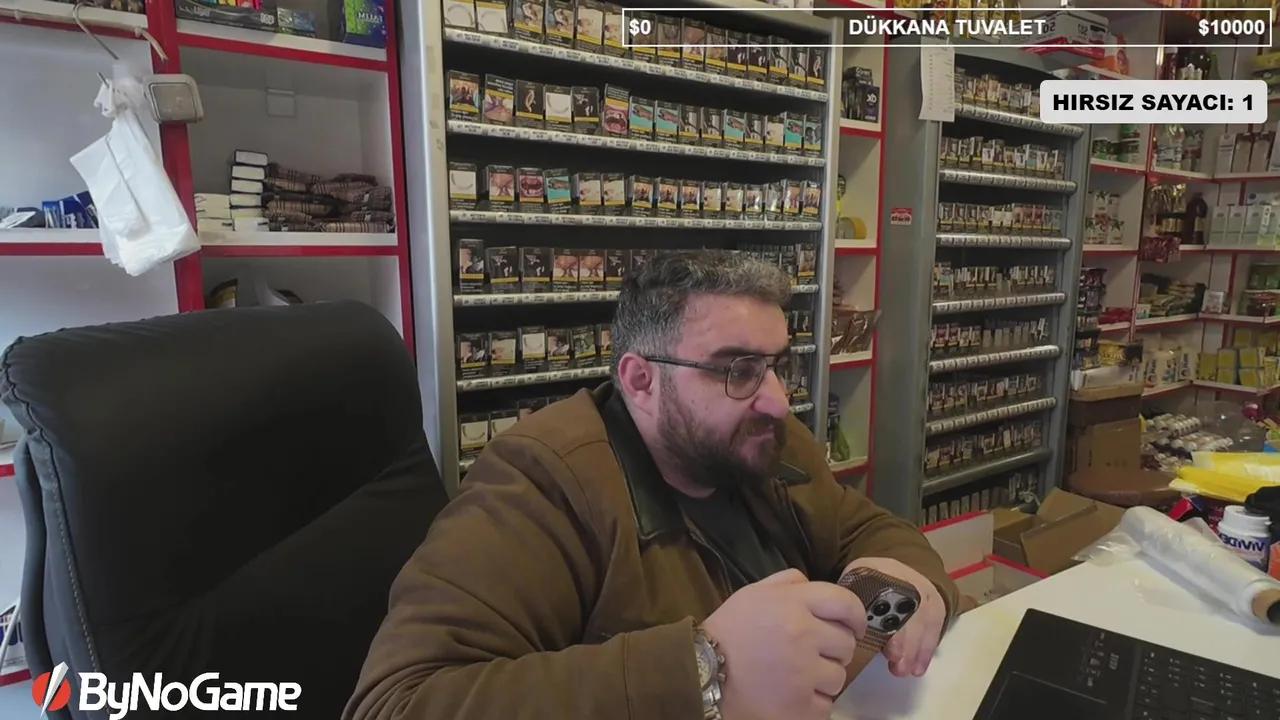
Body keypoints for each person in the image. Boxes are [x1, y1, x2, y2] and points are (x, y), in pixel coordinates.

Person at [345, 250, 959, 720]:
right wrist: (704, 666)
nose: (777, 399)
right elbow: (396, 704)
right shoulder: (540, 482)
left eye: (777, 365)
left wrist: (905, 573)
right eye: (738, 369)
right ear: (640, 380)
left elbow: (863, 527)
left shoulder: (762, 440)